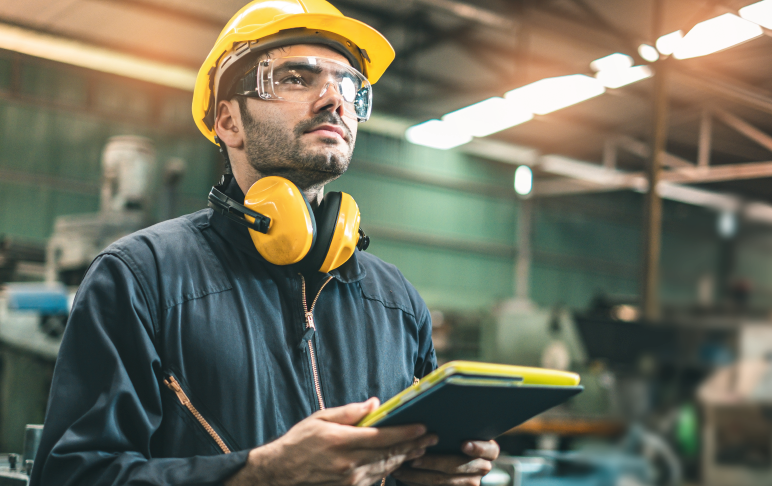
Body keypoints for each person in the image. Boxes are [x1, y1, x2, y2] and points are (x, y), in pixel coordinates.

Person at [30, 1, 499, 485]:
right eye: (297, 78)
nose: (334, 99)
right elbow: (73, 476)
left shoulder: (396, 301)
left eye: (348, 84)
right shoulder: (140, 278)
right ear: (228, 121)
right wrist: (261, 475)